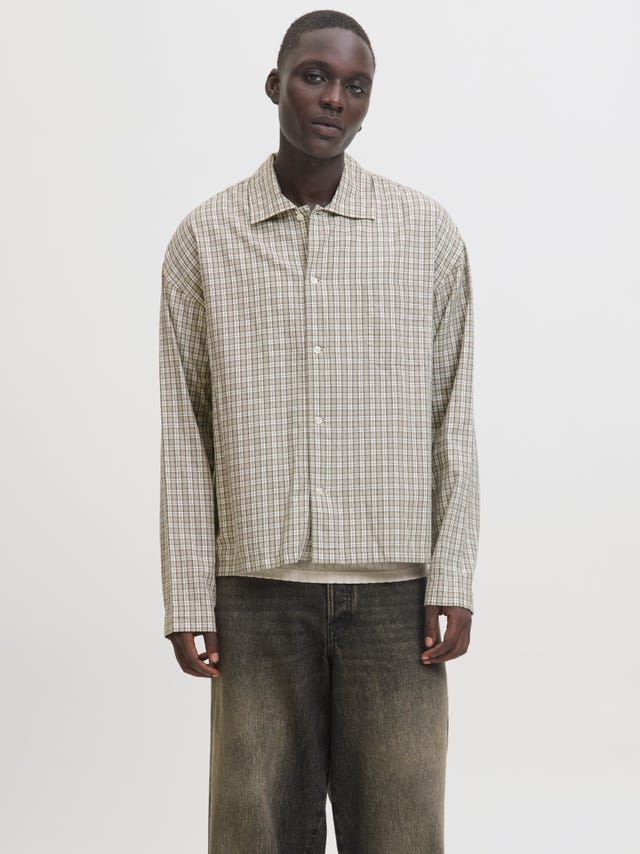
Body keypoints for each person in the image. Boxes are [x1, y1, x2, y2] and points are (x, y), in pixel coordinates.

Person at [158, 9, 480, 853]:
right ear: (275, 85)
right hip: (256, 598)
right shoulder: (205, 241)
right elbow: (186, 432)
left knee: (403, 834)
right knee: (253, 835)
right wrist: (188, 594)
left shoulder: (426, 236)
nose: (334, 98)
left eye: (355, 86)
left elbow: (453, 415)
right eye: (315, 76)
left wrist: (452, 576)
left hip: (395, 603)